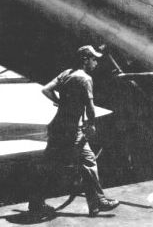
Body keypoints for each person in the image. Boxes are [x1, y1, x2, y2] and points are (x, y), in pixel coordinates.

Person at [28, 45, 119, 217]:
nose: (96, 63)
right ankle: (97, 201)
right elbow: (90, 106)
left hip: (57, 126)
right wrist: (91, 124)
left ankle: (94, 204)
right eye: (93, 59)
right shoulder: (85, 78)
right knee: (85, 162)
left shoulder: (66, 73)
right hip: (71, 129)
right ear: (85, 60)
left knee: (54, 164)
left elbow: (46, 89)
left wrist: (59, 102)